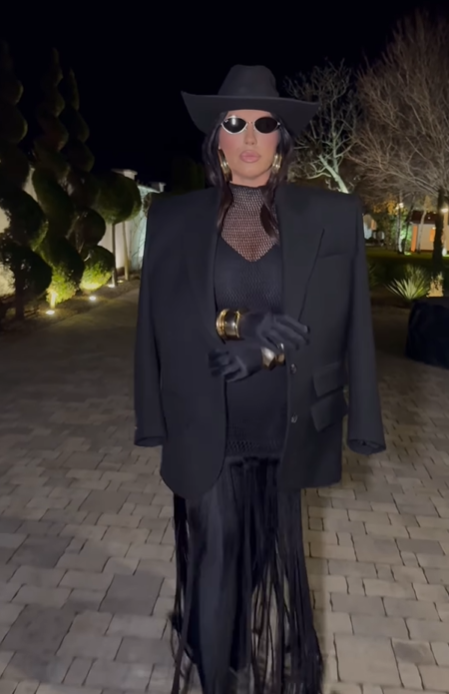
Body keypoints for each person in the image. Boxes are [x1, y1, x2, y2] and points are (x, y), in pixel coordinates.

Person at [134, 65, 385, 694]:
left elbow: (343, 321)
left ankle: (215, 641)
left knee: (259, 554)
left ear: (282, 138)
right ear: (216, 137)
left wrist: (267, 355)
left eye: (264, 123)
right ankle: (216, 678)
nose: (249, 137)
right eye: (234, 123)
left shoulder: (332, 215)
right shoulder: (173, 219)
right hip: (205, 418)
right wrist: (241, 324)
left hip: (286, 421)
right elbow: (162, 323)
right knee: (217, 550)